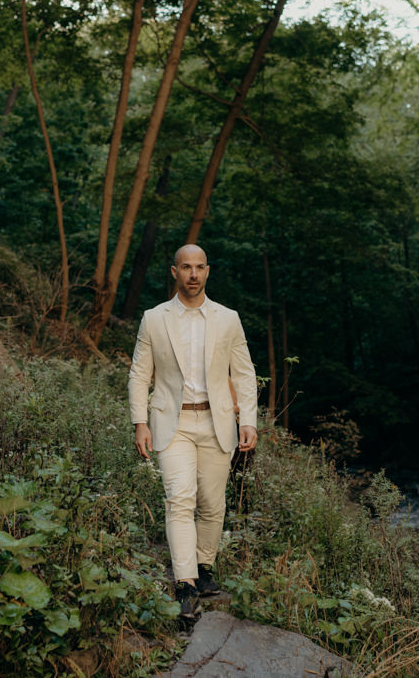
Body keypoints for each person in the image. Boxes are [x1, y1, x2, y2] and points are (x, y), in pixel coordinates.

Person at [128, 244, 258, 619]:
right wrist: (140, 422)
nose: (193, 274)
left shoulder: (227, 318)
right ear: (174, 272)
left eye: (199, 267)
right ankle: (184, 584)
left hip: (218, 422)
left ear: (208, 271)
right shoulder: (154, 319)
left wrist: (247, 419)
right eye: (186, 267)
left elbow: (244, 372)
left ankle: (204, 568)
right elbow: (140, 374)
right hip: (173, 421)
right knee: (179, 499)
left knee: (212, 504)